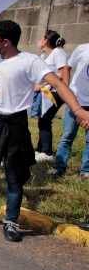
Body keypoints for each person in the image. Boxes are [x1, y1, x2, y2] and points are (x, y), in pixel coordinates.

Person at [0, 20, 89, 242]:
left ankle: (11, 221)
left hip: (13, 125)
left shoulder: (30, 62)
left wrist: (78, 110)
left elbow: (59, 84)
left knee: (14, 175)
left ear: (5, 42)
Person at [53, 41, 89, 179]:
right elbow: (67, 67)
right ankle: (59, 167)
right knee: (67, 136)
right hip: (75, 99)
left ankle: (86, 171)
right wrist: (67, 89)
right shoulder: (82, 48)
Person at [35, 30, 69, 161]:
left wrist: (44, 84)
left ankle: (47, 152)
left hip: (55, 91)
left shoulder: (58, 52)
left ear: (47, 41)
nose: (39, 41)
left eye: (42, 38)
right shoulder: (44, 55)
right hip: (46, 91)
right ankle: (40, 149)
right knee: (42, 118)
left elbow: (62, 72)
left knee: (45, 119)